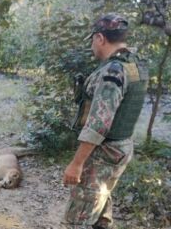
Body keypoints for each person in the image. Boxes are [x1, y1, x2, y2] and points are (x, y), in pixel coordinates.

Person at [62, 13, 148, 229]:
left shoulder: (113, 70)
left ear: (100, 38)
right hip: (120, 149)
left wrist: (77, 164)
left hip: (103, 152)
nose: (92, 45)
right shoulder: (135, 64)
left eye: (93, 40)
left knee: (77, 219)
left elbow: (99, 123)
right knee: (100, 207)